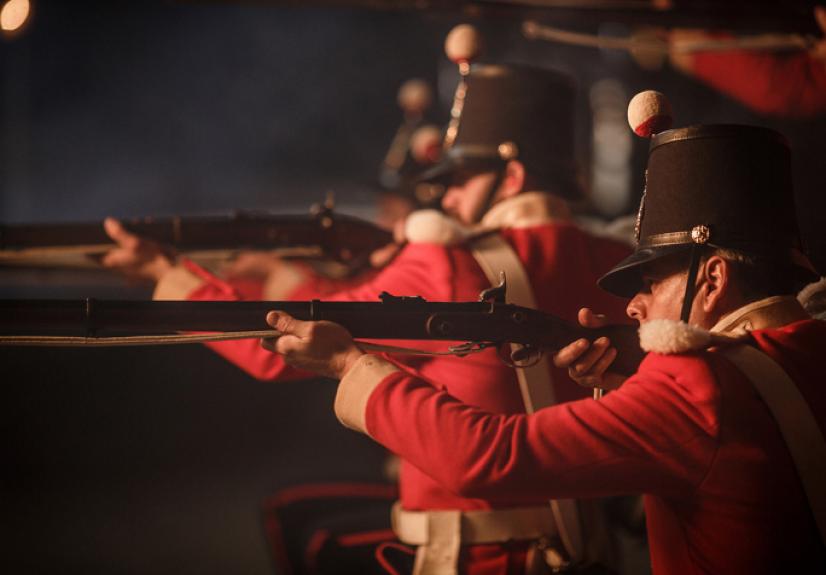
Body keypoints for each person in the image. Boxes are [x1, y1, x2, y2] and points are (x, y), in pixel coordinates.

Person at [102, 63, 632, 573]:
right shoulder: (616, 262)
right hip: (584, 541)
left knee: (302, 528)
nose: (445, 196)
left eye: (462, 179)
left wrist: (166, 275)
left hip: (474, 556)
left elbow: (278, 348)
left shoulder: (450, 259)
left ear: (511, 178)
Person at [263, 123, 826, 574]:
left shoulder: (699, 389)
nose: (632, 309)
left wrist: (349, 364)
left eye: (652, 282)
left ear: (714, 280)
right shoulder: (808, 345)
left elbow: (490, 459)